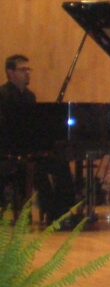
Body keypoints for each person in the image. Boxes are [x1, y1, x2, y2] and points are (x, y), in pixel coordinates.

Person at [0, 54, 76, 226]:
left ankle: (64, 211)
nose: (27, 73)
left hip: (29, 149)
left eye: (28, 69)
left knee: (61, 164)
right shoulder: (3, 95)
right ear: (10, 72)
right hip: (9, 152)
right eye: (23, 70)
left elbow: (34, 126)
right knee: (38, 171)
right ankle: (52, 213)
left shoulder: (30, 97)